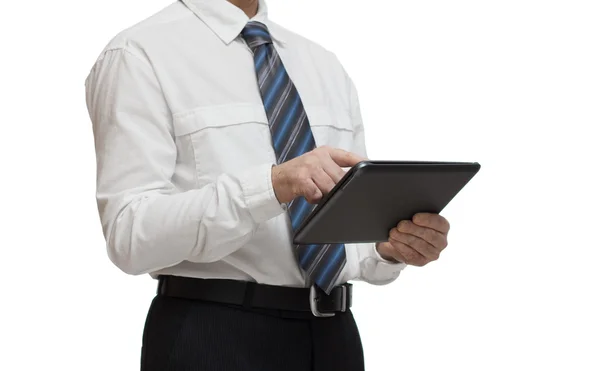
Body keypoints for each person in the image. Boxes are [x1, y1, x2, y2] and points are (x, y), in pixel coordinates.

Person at [84, 0, 451, 370]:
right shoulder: (139, 53)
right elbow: (128, 236)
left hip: (334, 336)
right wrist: (271, 186)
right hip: (214, 336)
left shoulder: (322, 64)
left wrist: (389, 248)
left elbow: (353, 239)